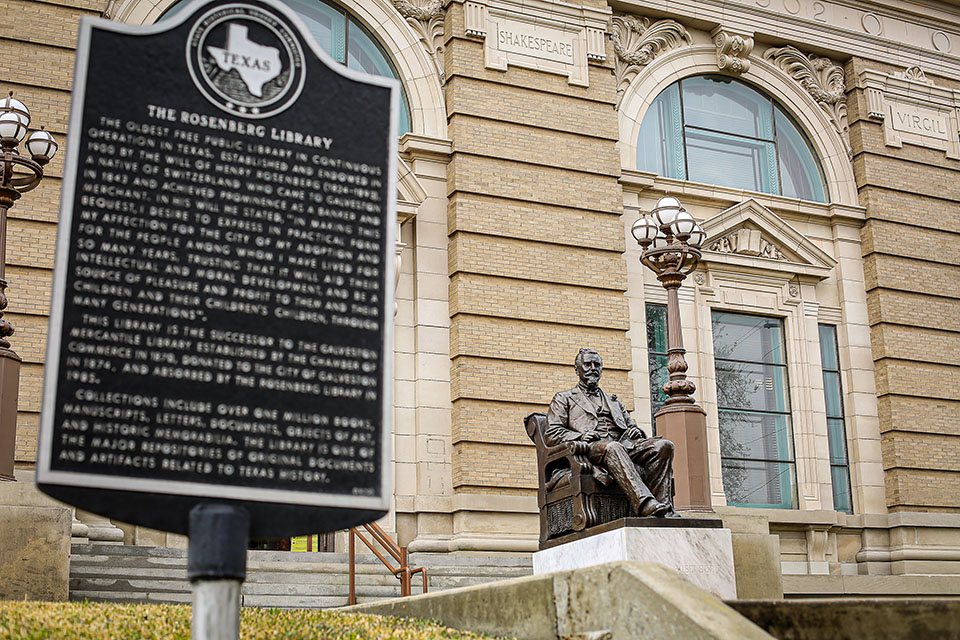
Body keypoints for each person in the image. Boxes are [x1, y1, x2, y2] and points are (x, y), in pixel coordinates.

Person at [546, 348, 678, 518]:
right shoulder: (564, 398)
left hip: (625, 445)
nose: (592, 368)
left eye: (597, 365)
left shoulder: (614, 401)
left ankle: (665, 508)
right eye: (587, 364)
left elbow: (632, 427)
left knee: (663, 445)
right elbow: (552, 433)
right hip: (591, 448)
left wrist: (635, 431)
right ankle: (645, 504)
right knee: (613, 447)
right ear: (577, 369)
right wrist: (579, 436)